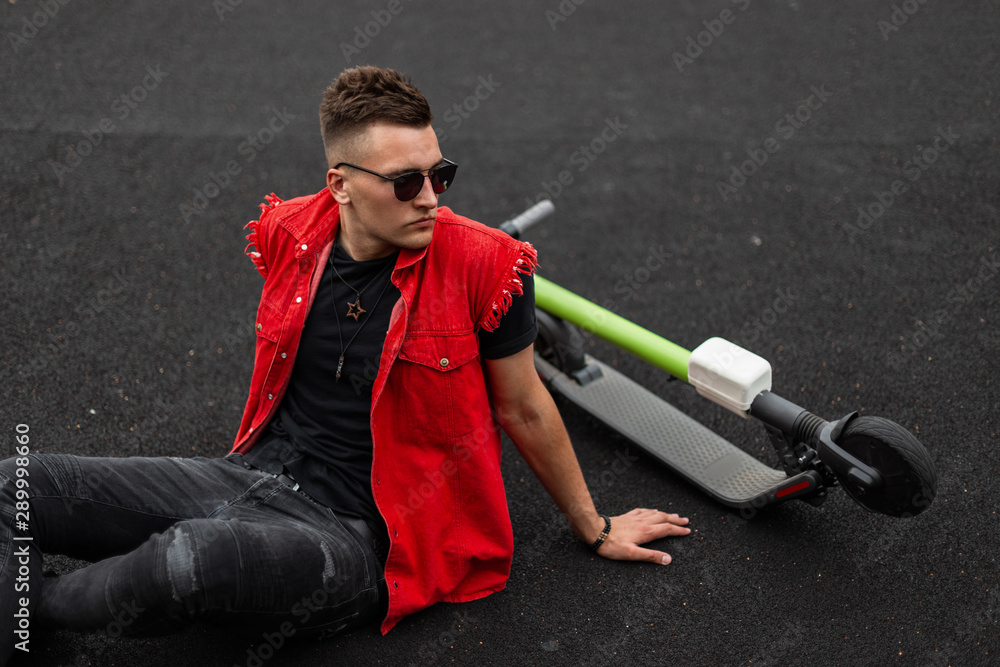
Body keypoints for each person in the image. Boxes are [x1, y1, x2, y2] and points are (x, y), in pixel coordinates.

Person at [0, 66, 690, 663]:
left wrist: (595, 525)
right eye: (407, 181)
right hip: (253, 474)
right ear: (341, 184)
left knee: (188, 559)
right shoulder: (291, 233)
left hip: (361, 536)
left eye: (439, 173)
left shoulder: (486, 266)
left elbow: (525, 405)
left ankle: (30, 614)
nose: (431, 196)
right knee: (19, 483)